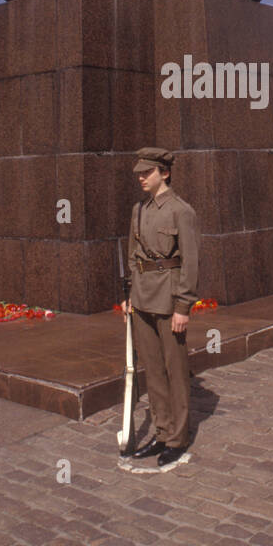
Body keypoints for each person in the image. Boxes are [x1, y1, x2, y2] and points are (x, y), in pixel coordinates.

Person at [124, 148, 200, 468]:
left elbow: (191, 262)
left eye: (148, 172)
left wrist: (184, 305)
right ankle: (162, 431)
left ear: (164, 173)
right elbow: (133, 254)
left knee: (176, 372)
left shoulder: (182, 211)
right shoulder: (139, 210)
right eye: (139, 173)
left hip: (169, 299)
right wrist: (131, 294)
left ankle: (178, 438)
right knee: (153, 371)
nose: (142, 178)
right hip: (142, 298)